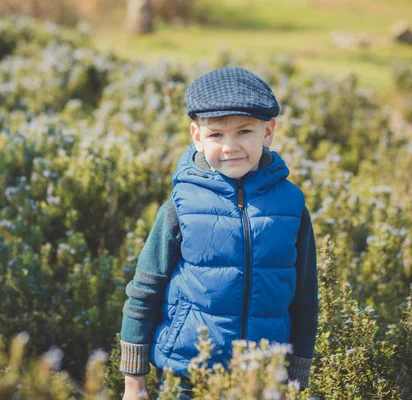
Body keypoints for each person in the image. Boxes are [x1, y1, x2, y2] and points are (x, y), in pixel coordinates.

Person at [119, 66, 319, 400]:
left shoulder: (291, 207)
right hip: (186, 376)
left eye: (244, 132)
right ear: (196, 135)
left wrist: (296, 376)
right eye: (216, 135)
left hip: (263, 377)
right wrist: (133, 379)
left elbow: (304, 299)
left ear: (268, 131)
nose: (231, 147)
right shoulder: (180, 206)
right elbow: (144, 290)